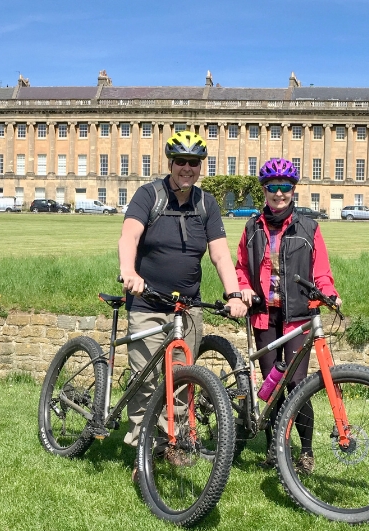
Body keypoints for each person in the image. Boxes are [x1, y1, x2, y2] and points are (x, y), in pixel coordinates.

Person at [117, 130, 248, 453]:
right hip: (148, 303)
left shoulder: (206, 204)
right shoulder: (149, 196)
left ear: (201, 166)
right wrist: (129, 272)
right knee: (146, 382)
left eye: (194, 162)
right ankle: (143, 448)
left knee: (179, 381)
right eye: (181, 162)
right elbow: (129, 238)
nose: (187, 168)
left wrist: (233, 293)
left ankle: (171, 443)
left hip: (186, 307)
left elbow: (219, 254)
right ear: (170, 163)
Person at [234, 158, 339, 474]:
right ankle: (273, 447)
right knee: (271, 387)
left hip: (297, 316)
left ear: (294, 190)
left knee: (297, 385)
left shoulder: (309, 228)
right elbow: (241, 267)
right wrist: (244, 289)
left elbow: (321, 273)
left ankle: (305, 451)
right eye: (272, 188)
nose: (279, 193)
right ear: (264, 190)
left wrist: (329, 293)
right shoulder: (252, 227)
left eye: (285, 187)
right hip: (265, 315)